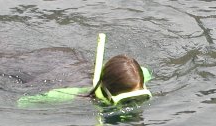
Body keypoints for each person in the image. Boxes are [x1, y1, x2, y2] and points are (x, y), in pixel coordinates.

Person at [18, 33, 152, 108]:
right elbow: (24, 101)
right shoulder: (77, 94)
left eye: (141, 97)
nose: (135, 104)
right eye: (127, 100)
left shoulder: (139, 77)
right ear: (108, 92)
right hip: (46, 64)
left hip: (72, 59)